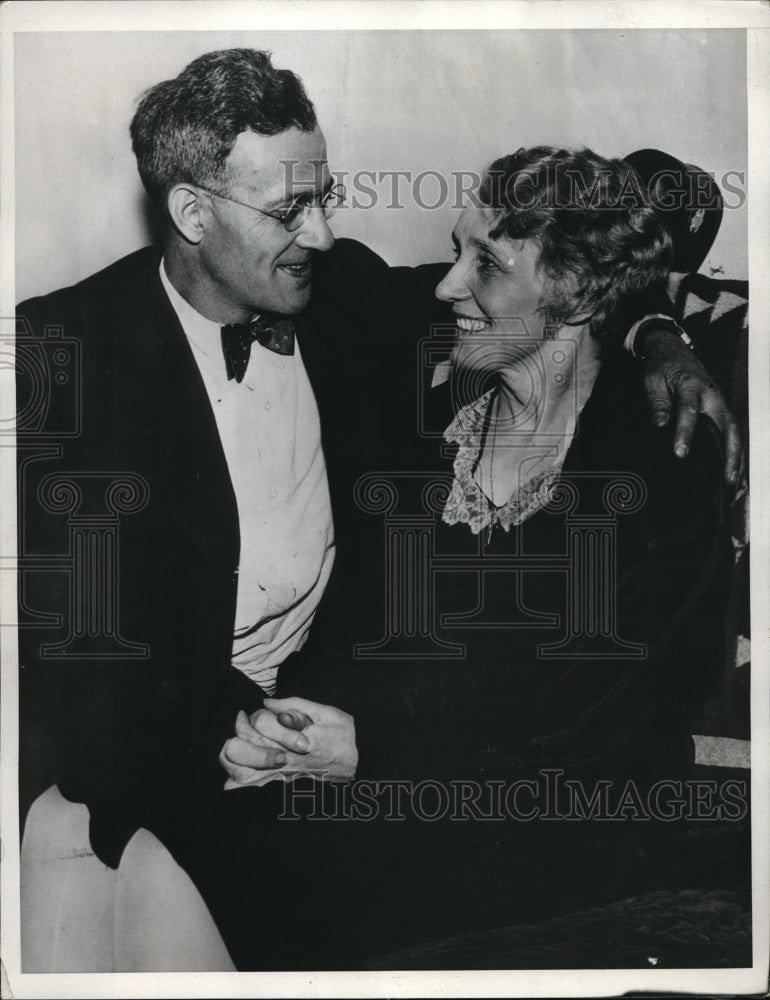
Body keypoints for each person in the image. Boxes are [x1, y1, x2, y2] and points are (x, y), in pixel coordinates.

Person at [16, 49, 741, 968]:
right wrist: (255, 737)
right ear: (192, 213)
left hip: (493, 792)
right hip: (202, 724)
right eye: (288, 211)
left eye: (327, 197)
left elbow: (600, 241)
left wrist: (662, 336)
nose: (322, 235)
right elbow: (86, 650)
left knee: (187, 876)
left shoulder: (348, 301)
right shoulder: (62, 351)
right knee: (126, 857)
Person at [222, 147, 746, 965]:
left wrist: (373, 744)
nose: (444, 284)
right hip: (408, 796)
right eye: (455, 248)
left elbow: (589, 703)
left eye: (485, 264)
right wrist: (294, 728)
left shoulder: (661, 457)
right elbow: (363, 627)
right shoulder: (440, 413)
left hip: (571, 823)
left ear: (572, 293)